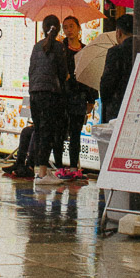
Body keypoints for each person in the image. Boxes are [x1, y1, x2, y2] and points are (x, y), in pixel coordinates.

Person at [27, 15, 67, 185]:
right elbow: (62, 73)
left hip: (35, 92)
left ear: (43, 28)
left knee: (39, 130)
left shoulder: (37, 47)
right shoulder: (58, 47)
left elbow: (31, 70)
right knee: (47, 131)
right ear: (58, 29)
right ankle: (43, 173)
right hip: (50, 94)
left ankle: (40, 170)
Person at [58, 17, 89, 180]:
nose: (69, 30)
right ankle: (59, 166)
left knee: (76, 133)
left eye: (71, 26)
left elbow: (90, 74)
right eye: (65, 27)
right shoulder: (60, 49)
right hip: (63, 96)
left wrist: (91, 99)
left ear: (78, 28)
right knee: (61, 131)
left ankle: (73, 167)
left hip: (79, 96)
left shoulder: (85, 50)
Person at [99, 14, 134, 122]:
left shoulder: (116, 52)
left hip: (117, 107)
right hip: (136, 105)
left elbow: (107, 82)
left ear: (118, 32)